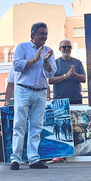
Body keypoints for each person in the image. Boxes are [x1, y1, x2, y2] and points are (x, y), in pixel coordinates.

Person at [10, 22, 56, 170]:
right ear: (33, 35)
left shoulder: (49, 51)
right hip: (23, 90)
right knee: (19, 125)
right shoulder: (22, 47)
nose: (44, 37)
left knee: (36, 127)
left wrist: (45, 62)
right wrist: (34, 60)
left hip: (41, 91)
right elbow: (17, 65)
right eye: (42, 34)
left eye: (46, 34)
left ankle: (34, 159)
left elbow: (51, 72)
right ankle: (15, 159)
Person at [49, 39, 86, 104]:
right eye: (64, 47)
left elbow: (84, 79)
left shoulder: (78, 62)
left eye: (69, 47)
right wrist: (65, 76)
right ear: (60, 49)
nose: (67, 48)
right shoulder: (55, 63)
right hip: (59, 100)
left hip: (76, 99)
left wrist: (74, 74)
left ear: (71, 48)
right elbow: (50, 80)